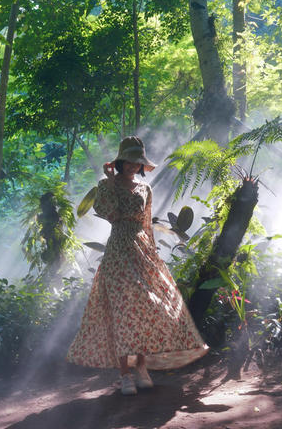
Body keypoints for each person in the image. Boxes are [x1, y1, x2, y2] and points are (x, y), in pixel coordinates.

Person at [67, 136, 208, 395]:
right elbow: (109, 213)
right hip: (118, 250)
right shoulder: (106, 185)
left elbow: (145, 224)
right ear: (121, 161)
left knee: (145, 308)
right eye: (130, 161)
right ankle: (124, 375)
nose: (133, 166)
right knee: (121, 311)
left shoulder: (145, 189)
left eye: (137, 162)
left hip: (142, 250)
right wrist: (110, 181)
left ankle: (141, 367)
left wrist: (152, 253)